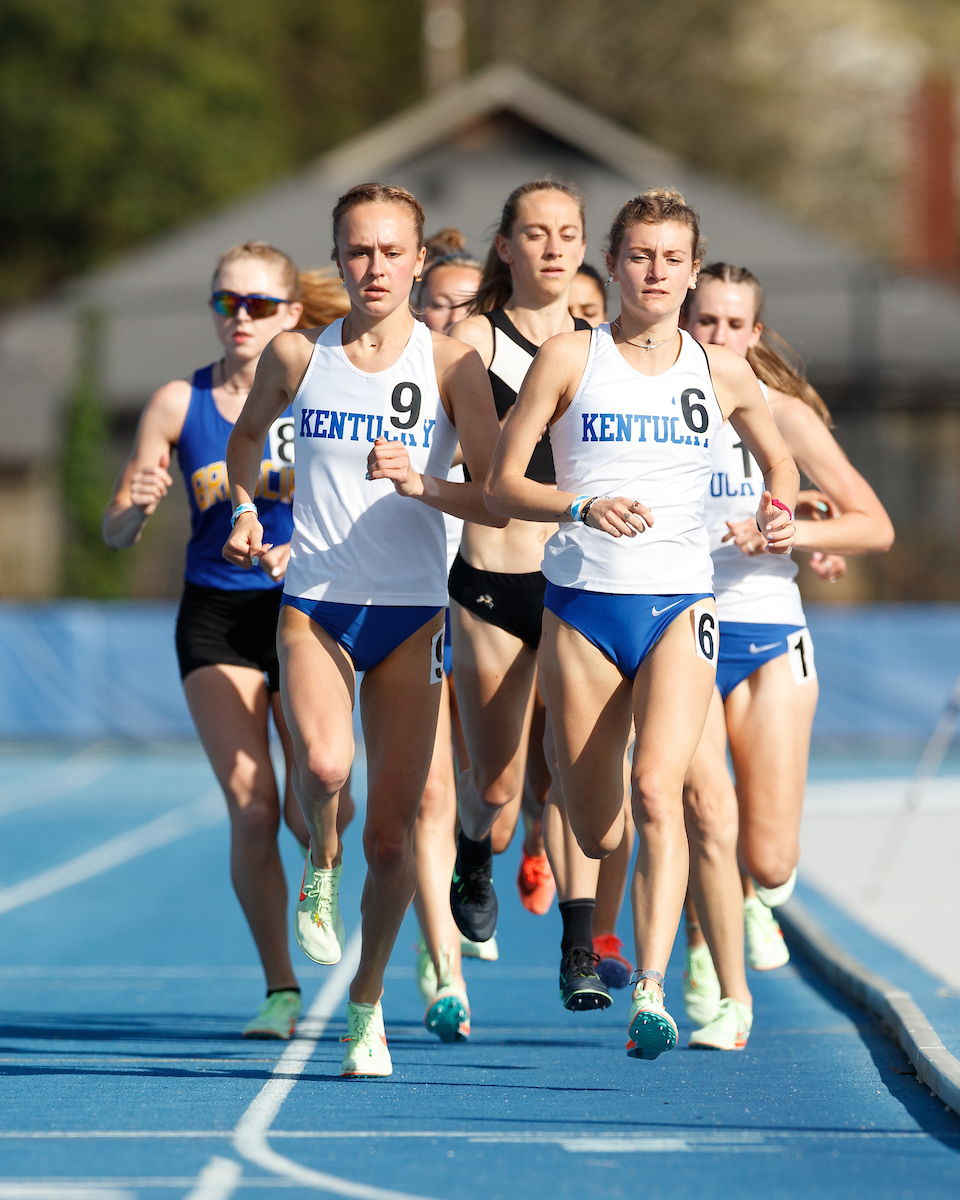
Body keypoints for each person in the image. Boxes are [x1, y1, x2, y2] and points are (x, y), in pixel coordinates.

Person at [485, 188, 799, 1061]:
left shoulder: (723, 369)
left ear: (691, 270)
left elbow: (778, 456)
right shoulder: (567, 357)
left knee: (664, 789)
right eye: (640, 256)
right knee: (596, 823)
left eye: (672, 259)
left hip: (680, 604)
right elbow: (503, 486)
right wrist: (581, 502)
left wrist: (776, 510)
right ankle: (605, 912)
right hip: (584, 607)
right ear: (614, 265)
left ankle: (654, 988)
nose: (656, 273)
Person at [222, 183, 503, 1078]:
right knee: (328, 768)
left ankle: (370, 1003)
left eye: (391, 251)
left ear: (420, 262)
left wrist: (427, 485)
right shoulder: (298, 355)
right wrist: (242, 503)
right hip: (317, 602)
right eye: (358, 251)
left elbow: (497, 492)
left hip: (413, 613)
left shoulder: (454, 364)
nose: (374, 267)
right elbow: (245, 441)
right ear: (338, 260)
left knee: (397, 839)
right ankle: (320, 860)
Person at [102, 240, 350, 1041]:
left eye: (257, 305)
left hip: (304, 610)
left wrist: (300, 547)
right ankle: (281, 988)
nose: (240, 319)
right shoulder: (180, 402)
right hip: (215, 615)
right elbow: (115, 531)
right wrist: (135, 506)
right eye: (225, 303)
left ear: (291, 314)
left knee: (314, 795)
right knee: (251, 809)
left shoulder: (321, 388)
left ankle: (324, 867)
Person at [677, 262, 894, 1049]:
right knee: (704, 814)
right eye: (706, 321)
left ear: (755, 335)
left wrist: (795, 531)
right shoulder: (644, 397)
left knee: (769, 857)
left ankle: (751, 899)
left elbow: (873, 524)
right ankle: (711, 959)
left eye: (735, 325)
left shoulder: (787, 414)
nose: (718, 336)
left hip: (768, 630)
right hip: (680, 630)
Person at [446, 179, 592, 947]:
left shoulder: (601, 344)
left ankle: (581, 945)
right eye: (536, 233)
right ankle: (474, 851)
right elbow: (461, 469)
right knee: (499, 785)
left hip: (576, 582)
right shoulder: (474, 342)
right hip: (492, 584)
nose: (554, 246)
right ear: (506, 246)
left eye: (568, 232)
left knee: (574, 772)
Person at [409, 230, 485, 1041]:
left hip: (498, 603)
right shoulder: (400, 381)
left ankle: (487, 859)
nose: (457, 317)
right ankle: (444, 967)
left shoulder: (500, 389)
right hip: (420, 605)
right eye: (443, 305)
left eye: (471, 306)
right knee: (430, 790)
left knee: (492, 786)